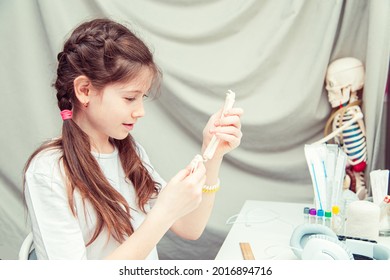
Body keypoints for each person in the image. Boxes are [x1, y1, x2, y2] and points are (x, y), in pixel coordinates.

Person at [23, 18, 243, 260]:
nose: (140, 111)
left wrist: (212, 153)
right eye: (129, 98)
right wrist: (164, 212)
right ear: (84, 90)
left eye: (142, 98)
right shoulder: (50, 171)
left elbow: (190, 228)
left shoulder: (129, 151)